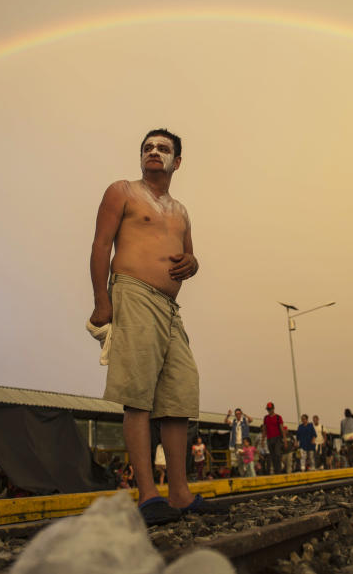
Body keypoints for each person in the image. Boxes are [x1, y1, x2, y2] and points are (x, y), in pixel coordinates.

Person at [89, 128, 223, 525]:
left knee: (179, 394)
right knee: (139, 394)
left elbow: (190, 257)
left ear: (176, 161)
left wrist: (194, 264)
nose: (154, 152)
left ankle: (179, 495)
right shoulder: (123, 191)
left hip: (170, 307)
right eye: (148, 147)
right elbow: (100, 245)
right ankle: (148, 495)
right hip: (133, 292)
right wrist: (102, 299)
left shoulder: (181, 211)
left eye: (163, 148)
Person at [224, 408, 252, 475]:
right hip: (237, 443)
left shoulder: (245, 420)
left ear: (241, 414)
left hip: (244, 443)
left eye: (239, 414)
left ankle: (248, 473)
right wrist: (228, 415)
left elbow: (251, 419)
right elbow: (225, 421)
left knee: (245, 459)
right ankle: (242, 474)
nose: (238, 415)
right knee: (239, 460)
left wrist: (244, 414)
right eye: (236, 414)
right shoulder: (234, 421)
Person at [262, 402, 285, 474]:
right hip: (269, 438)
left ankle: (278, 470)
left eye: (270, 409)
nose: (269, 410)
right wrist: (262, 440)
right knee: (272, 455)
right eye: (268, 409)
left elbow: (282, 428)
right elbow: (264, 429)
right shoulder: (266, 418)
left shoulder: (278, 417)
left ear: (273, 409)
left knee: (277, 454)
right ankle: (276, 470)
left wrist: (285, 439)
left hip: (277, 438)